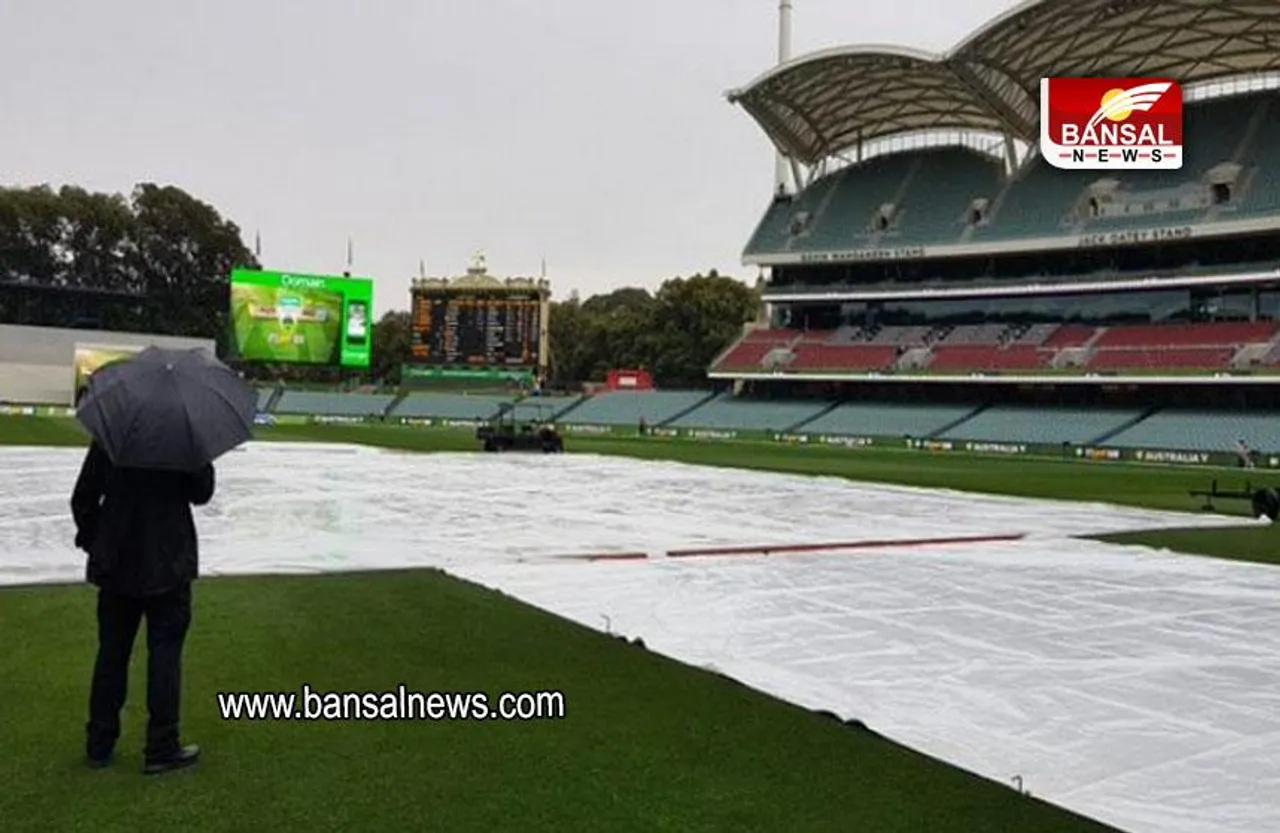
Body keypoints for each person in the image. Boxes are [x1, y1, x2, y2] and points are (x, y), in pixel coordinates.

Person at [71, 440, 215, 774]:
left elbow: (83, 497)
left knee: (112, 653)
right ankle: (161, 746)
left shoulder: (115, 432)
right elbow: (202, 491)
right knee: (164, 655)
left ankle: (99, 743)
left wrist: (95, 541)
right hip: (169, 561)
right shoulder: (183, 435)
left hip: (118, 561)